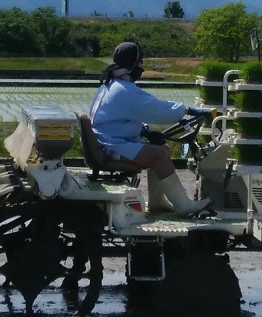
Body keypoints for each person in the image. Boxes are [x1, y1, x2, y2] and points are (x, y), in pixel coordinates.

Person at [89, 41, 212, 216]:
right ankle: (183, 205)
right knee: (159, 155)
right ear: (132, 63)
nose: (142, 67)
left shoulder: (110, 85)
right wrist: (187, 110)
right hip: (109, 146)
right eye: (141, 62)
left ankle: (157, 203)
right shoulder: (124, 90)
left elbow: (119, 118)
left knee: (162, 149)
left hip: (106, 142)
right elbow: (157, 110)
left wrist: (144, 130)